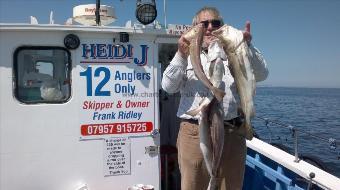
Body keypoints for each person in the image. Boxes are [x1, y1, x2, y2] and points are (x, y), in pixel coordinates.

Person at [161, 6, 268, 190]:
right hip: (195, 134)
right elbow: (168, 87)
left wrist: (247, 47)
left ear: (222, 26)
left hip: (233, 133)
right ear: (195, 27)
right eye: (204, 23)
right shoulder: (185, 56)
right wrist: (180, 54)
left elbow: (261, 74)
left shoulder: (234, 52)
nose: (210, 27)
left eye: (215, 23)